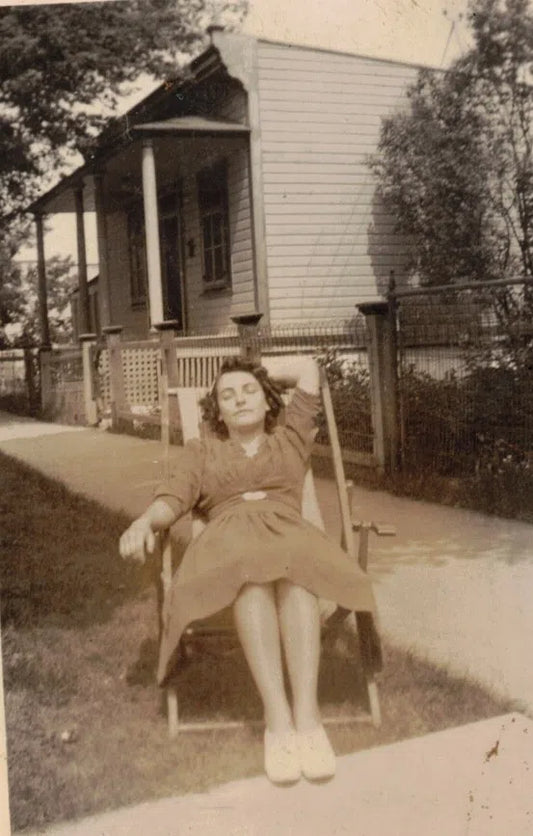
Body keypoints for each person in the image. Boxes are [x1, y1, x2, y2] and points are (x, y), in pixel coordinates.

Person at [119, 355, 377, 784]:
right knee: (252, 584)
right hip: (229, 544)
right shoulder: (202, 450)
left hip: (289, 538)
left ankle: (308, 721)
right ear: (215, 410)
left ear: (268, 399)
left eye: (249, 392)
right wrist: (144, 521)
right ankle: (278, 725)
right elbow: (173, 496)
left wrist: (250, 370)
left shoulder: (291, 436)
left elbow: (310, 372)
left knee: (297, 585)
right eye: (227, 396)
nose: (239, 401)